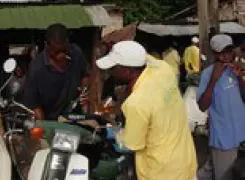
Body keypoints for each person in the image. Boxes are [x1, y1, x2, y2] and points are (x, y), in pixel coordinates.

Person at [96, 41, 197, 180]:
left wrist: (111, 133)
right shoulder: (163, 70)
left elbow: (130, 145)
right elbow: (145, 57)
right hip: (185, 163)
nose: (110, 73)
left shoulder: (136, 103)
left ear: (127, 71)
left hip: (160, 173)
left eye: (113, 68)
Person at [197, 34, 245, 180]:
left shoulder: (237, 68)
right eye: (222, 53)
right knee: (224, 175)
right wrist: (213, 80)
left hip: (242, 136)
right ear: (215, 53)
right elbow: (202, 106)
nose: (226, 56)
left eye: (229, 51)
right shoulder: (208, 74)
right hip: (224, 139)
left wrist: (240, 77)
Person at [24, 23, 89, 120]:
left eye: (64, 50)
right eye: (57, 51)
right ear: (47, 45)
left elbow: (85, 75)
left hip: (74, 117)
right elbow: (34, 105)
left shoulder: (76, 53)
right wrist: (44, 128)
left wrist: (85, 92)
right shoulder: (36, 69)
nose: (61, 54)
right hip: (50, 121)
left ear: (68, 42)